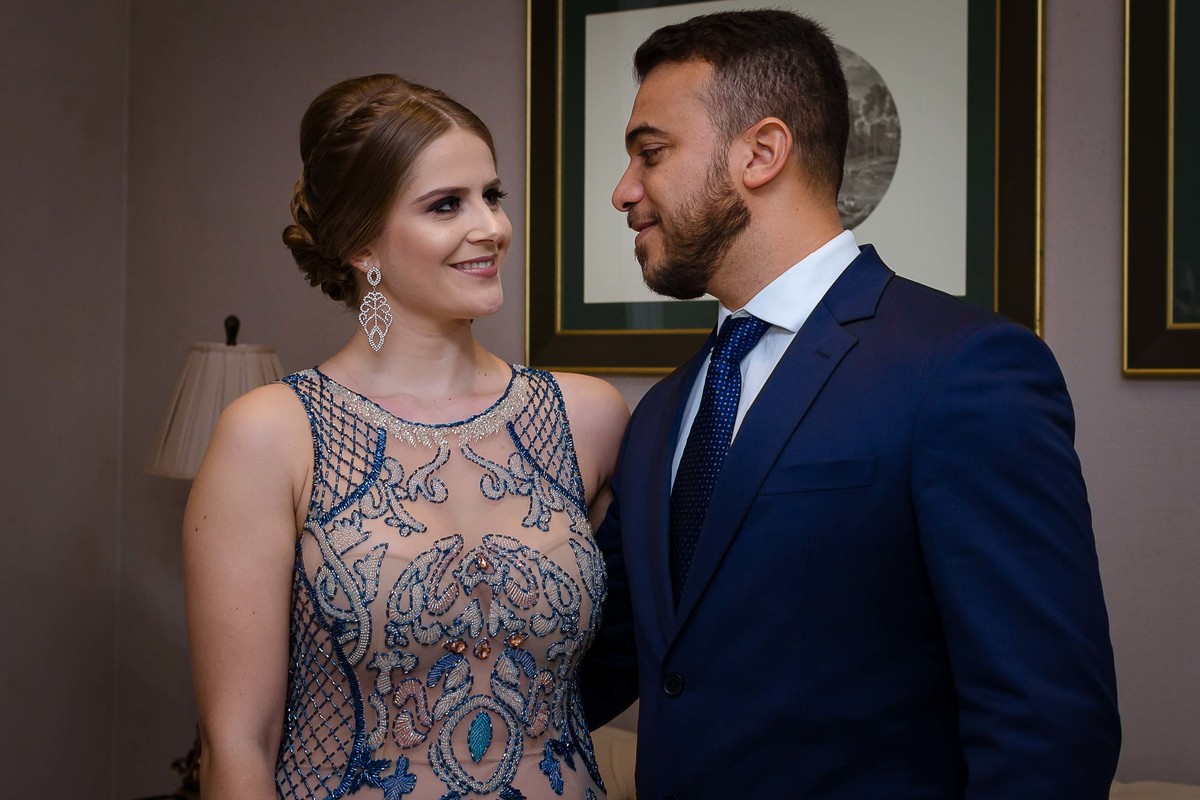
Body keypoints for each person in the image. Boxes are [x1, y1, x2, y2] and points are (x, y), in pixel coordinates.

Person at [581, 10, 1121, 799]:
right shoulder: (662, 413)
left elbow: (1048, 725)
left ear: (762, 152)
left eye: (651, 153)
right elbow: (611, 659)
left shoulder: (963, 369)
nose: (624, 190)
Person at [183, 74, 628, 800]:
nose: (492, 227)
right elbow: (239, 743)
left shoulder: (586, 418)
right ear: (361, 242)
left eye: (492, 196)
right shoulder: (271, 434)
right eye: (446, 204)